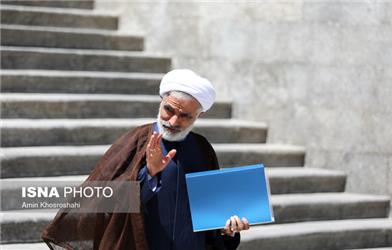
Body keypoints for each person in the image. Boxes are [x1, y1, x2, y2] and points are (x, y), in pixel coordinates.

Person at [42, 69, 250, 250]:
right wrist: (149, 173)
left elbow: (212, 209)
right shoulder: (135, 141)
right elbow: (103, 199)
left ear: (199, 116)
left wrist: (226, 229)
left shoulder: (202, 149)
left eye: (185, 115)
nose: (174, 121)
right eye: (169, 109)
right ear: (162, 101)